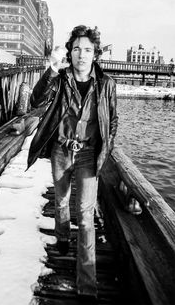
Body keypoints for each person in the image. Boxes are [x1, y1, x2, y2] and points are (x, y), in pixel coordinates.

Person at [27, 25, 118, 300]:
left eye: (87, 49)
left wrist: (107, 147)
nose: (81, 54)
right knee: (62, 201)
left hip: (89, 153)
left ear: (95, 54)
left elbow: (112, 121)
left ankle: (87, 286)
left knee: (87, 217)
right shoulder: (60, 78)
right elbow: (35, 100)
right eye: (76, 48)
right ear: (70, 51)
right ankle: (64, 236)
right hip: (61, 150)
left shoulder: (106, 84)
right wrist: (52, 69)